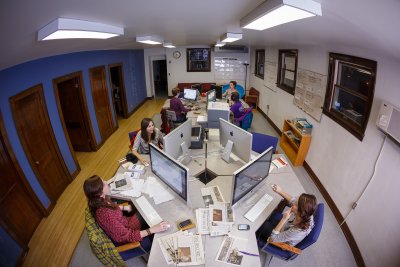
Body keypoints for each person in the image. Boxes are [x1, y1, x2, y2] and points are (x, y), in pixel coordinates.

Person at [83, 175, 170, 245]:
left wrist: (123, 207)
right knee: (148, 214)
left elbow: (112, 208)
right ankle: (151, 240)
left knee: (144, 209)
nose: (106, 182)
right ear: (99, 193)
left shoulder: (100, 200)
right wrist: (153, 229)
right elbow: (128, 236)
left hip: (124, 222)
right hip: (127, 232)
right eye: (103, 184)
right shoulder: (104, 214)